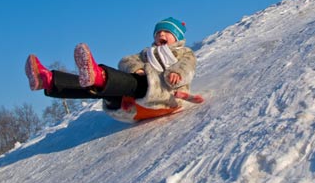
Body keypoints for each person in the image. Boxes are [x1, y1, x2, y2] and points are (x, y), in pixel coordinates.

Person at [25, 17, 200, 123]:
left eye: (166, 32)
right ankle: (48, 81)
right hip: (133, 103)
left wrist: (176, 73)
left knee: (115, 81)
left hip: (167, 95)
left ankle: (99, 75)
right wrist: (137, 68)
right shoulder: (147, 53)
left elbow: (187, 66)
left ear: (177, 37)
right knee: (100, 89)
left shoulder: (183, 52)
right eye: (158, 33)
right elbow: (126, 60)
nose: (161, 35)